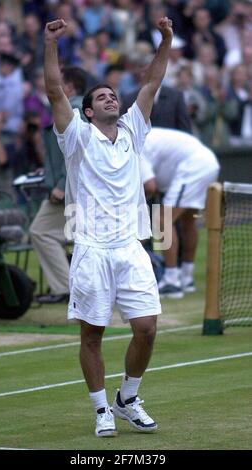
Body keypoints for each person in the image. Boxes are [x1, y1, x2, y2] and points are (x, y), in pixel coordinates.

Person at [43, 17, 173, 437]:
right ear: (87, 110)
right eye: (102, 97)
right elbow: (52, 91)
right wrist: (50, 44)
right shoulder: (76, 136)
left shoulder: (134, 128)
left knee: (147, 327)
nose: (111, 100)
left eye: (113, 95)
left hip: (131, 246)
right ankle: (101, 409)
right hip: (91, 247)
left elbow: (151, 82)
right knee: (93, 333)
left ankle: (127, 399)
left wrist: (166, 40)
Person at [29, 66, 88, 304]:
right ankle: (75, 288)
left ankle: (66, 288)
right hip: (74, 186)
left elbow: (79, 151)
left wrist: (62, 183)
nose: (49, 86)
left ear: (70, 86)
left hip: (70, 188)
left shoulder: (74, 109)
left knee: (41, 231)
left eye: (56, 82)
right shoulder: (78, 107)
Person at [140, 127, 220, 299]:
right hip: (208, 163)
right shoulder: (143, 138)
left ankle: (171, 281)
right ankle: (186, 278)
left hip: (193, 167)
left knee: (162, 220)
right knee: (188, 220)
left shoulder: (135, 144)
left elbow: (150, 187)